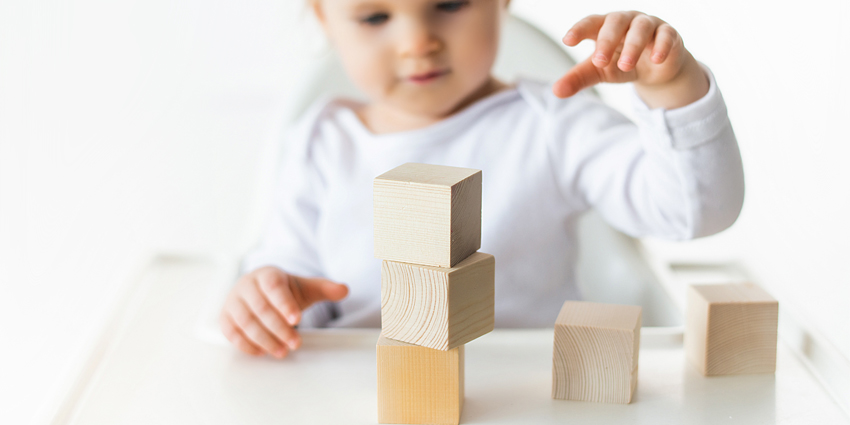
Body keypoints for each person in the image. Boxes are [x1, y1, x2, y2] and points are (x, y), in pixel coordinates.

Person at [219, 0, 745, 359]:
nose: (417, 42)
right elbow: (289, 270)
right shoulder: (320, 140)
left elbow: (694, 210)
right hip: (362, 390)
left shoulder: (553, 124)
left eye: (448, 4)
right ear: (323, 18)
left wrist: (673, 87)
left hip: (528, 390)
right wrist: (267, 296)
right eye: (375, 15)